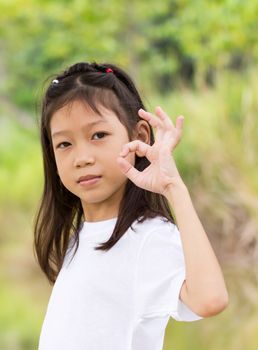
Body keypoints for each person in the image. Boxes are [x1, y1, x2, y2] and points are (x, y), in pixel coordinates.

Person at [33, 62, 229, 349]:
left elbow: (209, 300)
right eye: (64, 144)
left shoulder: (147, 236)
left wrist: (174, 188)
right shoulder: (83, 236)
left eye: (98, 135)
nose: (81, 157)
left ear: (139, 136)